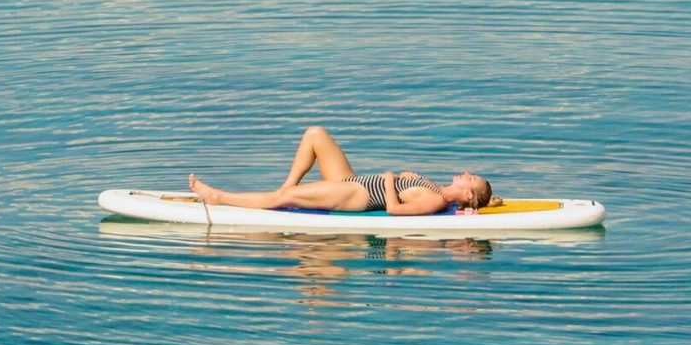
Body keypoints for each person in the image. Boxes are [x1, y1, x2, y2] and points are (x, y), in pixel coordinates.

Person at [186, 124, 493, 215]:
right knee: (314, 134)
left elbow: (394, 210)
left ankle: (218, 197)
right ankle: (285, 193)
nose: (467, 171)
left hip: (357, 195)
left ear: (467, 192)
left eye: (472, 177)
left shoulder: (439, 200)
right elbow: (412, 193)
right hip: (353, 180)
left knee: (285, 196)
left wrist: (389, 182)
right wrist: (409, 177)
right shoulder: (437, 189)